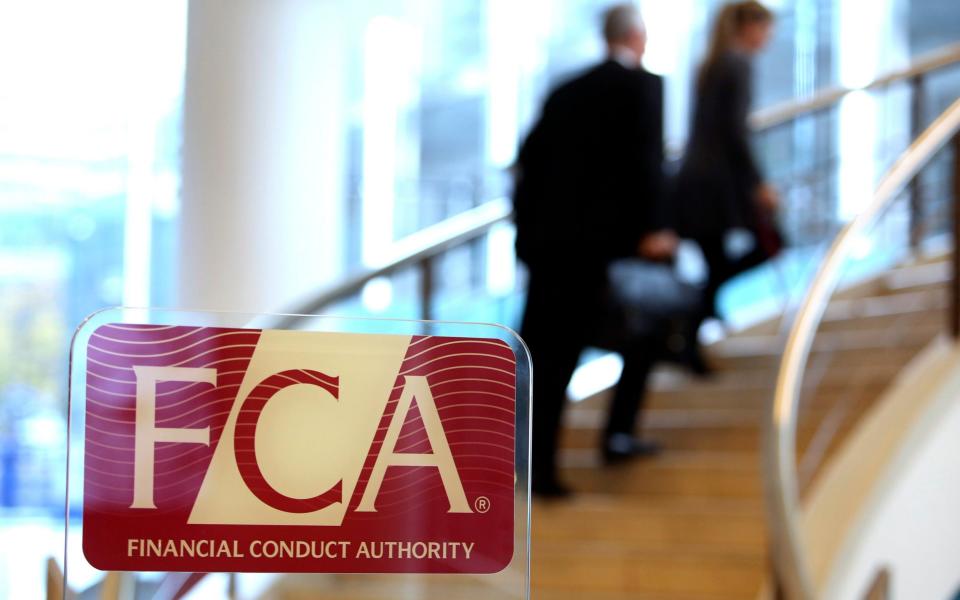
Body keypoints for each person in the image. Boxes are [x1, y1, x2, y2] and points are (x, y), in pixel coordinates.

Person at [513, 3, 676, 498]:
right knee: (644, 333)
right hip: (599, 252)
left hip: (546, 250)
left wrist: (528, 237)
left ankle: (535, 468)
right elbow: (645, 163)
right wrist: (653, 230)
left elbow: (527, 166)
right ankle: (616, 437)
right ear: (637, 38)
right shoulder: (643, 87)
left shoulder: (564, 91)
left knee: (545, 360)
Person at [672, 1, 779, 336]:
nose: (768, 37)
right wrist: (758, 183)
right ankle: (691, 314)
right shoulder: (737, 64)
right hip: (716, 184)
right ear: (748, 27)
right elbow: (735, 133)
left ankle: (693, 323)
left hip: (697, 180)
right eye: (764, 28)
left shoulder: (713, 63)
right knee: (771, 242)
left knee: (717, 265)